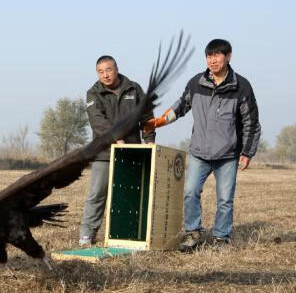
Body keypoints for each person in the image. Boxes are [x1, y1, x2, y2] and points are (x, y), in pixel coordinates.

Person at [143, 39, 261, 250]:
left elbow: (251, 122)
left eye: (217, 55)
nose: (212, 60)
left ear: (228, 56)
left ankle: (221, 237)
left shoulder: (242, 86)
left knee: (225, 198)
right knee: (190, 192)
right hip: (199, 152)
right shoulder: (196, 83)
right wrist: (159, 121)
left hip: (227, 154)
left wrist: (247, 152)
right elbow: (180, 107)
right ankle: (193, 233)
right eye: (209, 56)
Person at [79, 56, 155, 246]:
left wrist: (149, 140)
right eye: (100, 71)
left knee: (132, 194)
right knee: (97, 194)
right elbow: (98, 121)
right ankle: (87, 235)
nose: (105, 75)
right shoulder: (93, 93)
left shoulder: (134, 88)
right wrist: (114, 139)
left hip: (131, 152)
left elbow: (147, 116)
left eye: (108, 70)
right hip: (104, 152)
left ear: (116, 69)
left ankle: (130, 235)